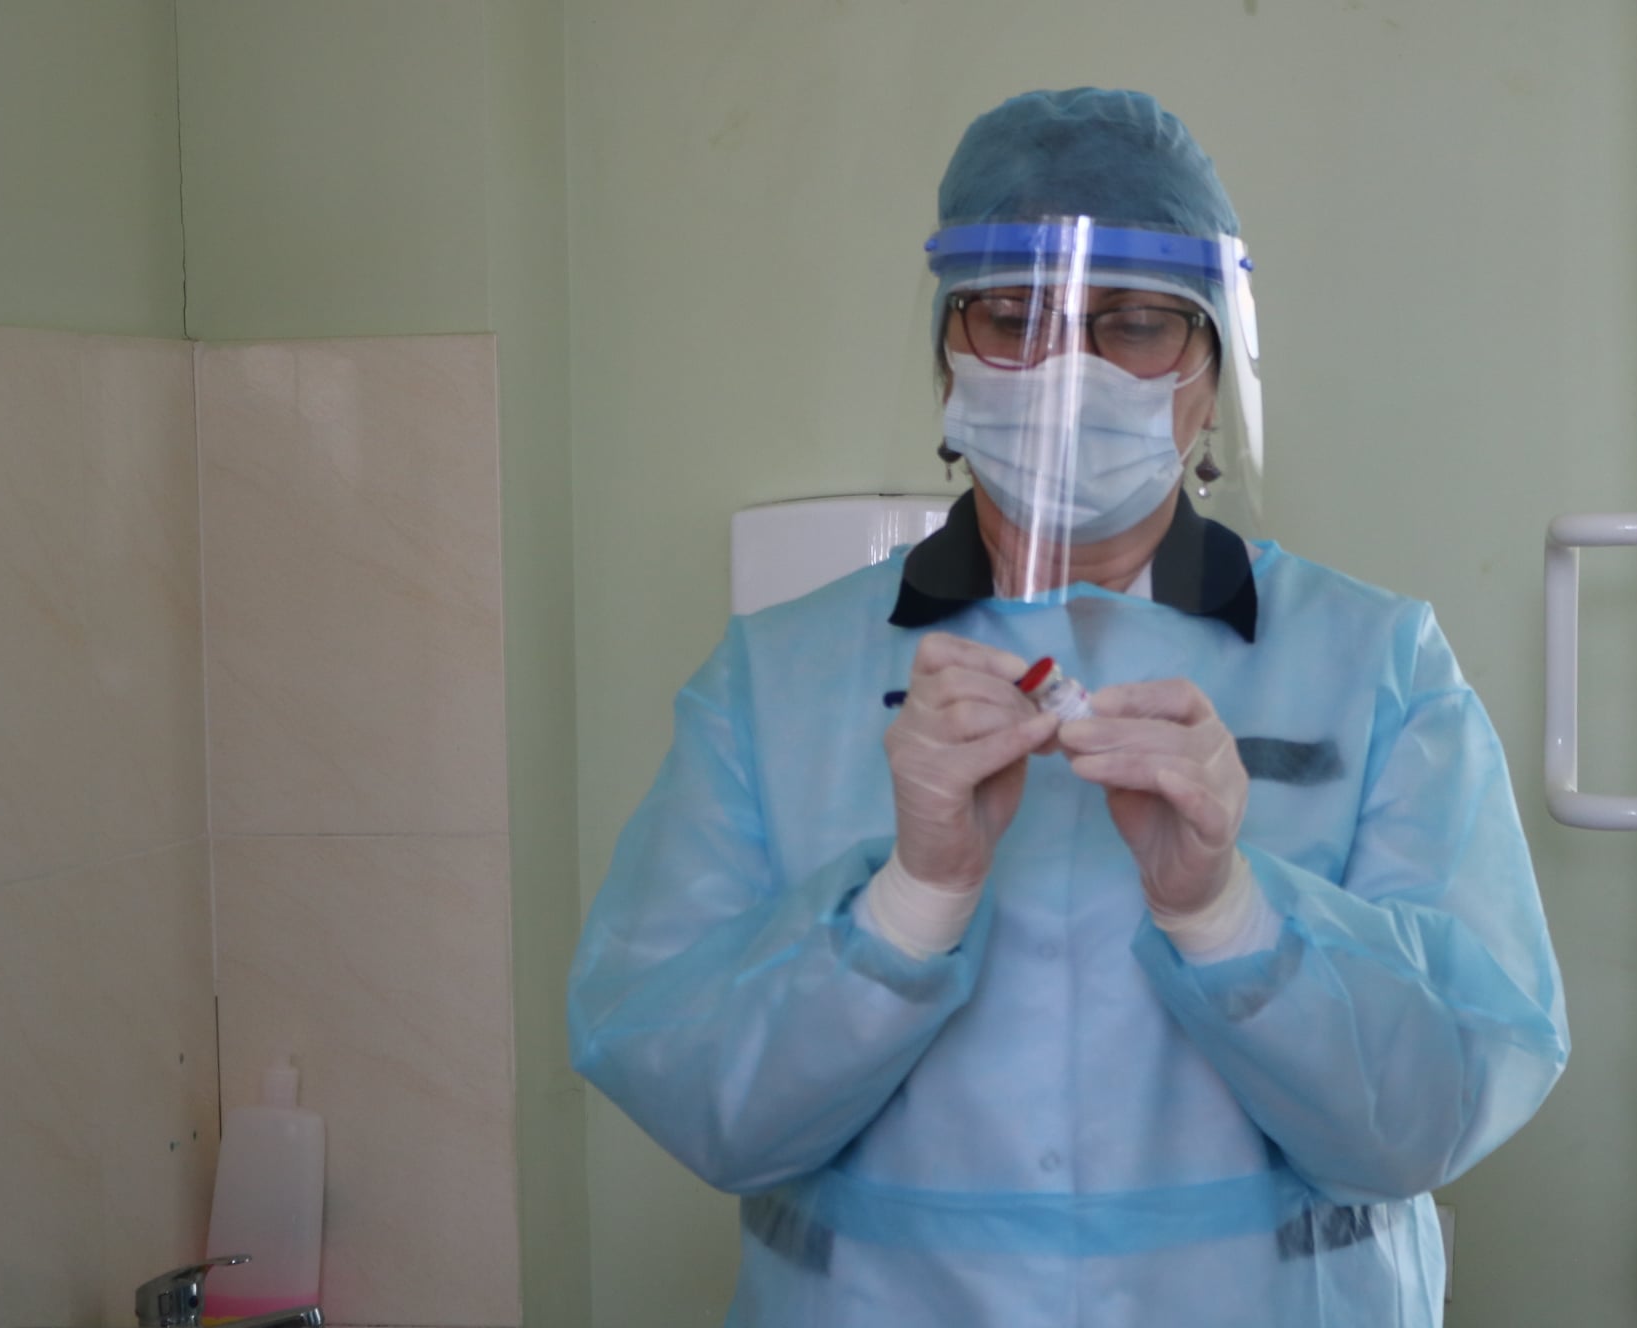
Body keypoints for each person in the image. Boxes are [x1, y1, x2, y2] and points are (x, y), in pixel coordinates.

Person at [568, 87, 1569, 1326]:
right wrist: (909, 903)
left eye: (1136, 324)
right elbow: (691, 1092)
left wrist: (1228, 913)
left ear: (1211, 376)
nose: (1064, 370)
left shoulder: (1378, 665)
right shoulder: (773, 681)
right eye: (1011, 317)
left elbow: (1440, 1108)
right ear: (947, 351)